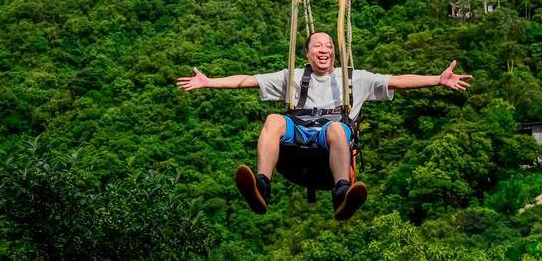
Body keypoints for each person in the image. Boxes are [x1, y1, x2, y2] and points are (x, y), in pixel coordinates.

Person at [177, 31, 472, 220]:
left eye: (329, 45)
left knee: (335, 129)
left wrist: (437, 79)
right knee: (272, 120)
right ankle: (262, 186)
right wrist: (209, 82)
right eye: (317, 45)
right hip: (297, 143)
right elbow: (247, 81)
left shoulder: (354, 77)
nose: (324, 49)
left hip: (330, 144)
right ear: (307, 53)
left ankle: (341, 193)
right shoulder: (292, 76)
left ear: (335, 52)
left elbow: (396, 80)